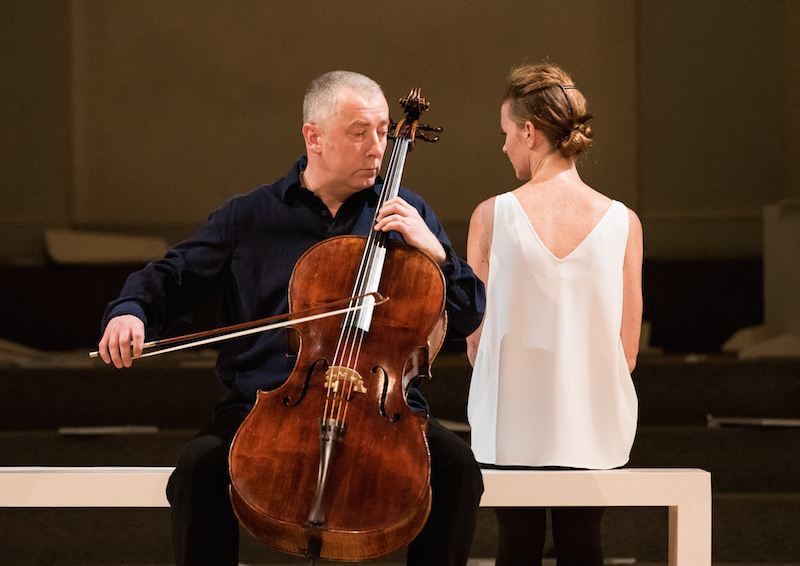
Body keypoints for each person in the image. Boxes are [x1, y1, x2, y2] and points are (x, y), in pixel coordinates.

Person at [97, 70, 486, 566]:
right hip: (265, 409)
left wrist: (436, 254)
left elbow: (469, 311)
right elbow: (173, 276)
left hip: (380, 411)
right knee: (198, 470)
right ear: (314, 136)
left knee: (455, 467)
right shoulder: (248, 217)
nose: (377, 148)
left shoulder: (407, 215)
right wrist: (130, 313)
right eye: (359, 131)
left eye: (385, 131)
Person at [465, 63, 643, 565]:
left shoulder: (491, 215)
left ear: (529, 131)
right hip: (593, 423)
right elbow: (627, 352)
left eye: (506, 133)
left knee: (515, 545)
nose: (504, 147)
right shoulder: (623, 221)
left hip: (511, 422)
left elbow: (476, 342)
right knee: (583, 544)